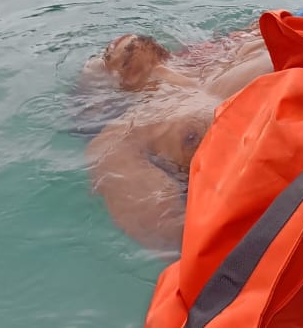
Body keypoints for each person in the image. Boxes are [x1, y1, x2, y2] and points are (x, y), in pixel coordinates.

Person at [81, 32, 272, 251]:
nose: (111, 43)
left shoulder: (234, 51)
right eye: (105, 55)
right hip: (288, 186)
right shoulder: (127, 133)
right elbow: (175, 236)